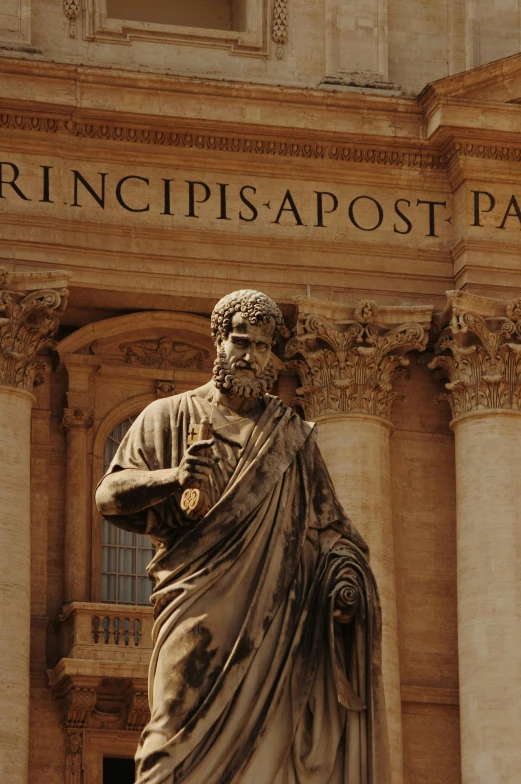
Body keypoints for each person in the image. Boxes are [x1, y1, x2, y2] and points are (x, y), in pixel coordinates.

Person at [95, 289, 390, 784]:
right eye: (240, 342)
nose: (252, 356)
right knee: (168, 741)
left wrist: (344, 578)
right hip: (197, 606)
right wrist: (174, 478)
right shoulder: (167, 416)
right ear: (219, 343)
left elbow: (332, 528)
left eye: (262, 346)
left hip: (276, 619)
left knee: (272, 743)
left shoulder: (291, 437)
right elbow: (109, 496)